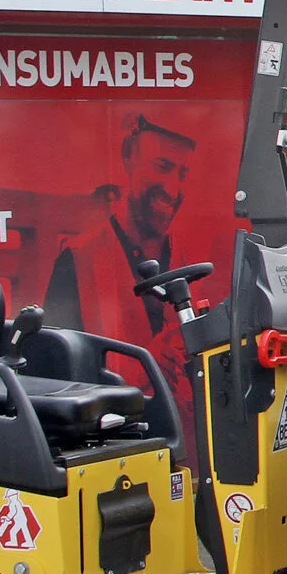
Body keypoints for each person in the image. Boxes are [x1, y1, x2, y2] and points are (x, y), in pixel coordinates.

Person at [41, 115, 200, 453]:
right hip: (112, 445)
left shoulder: (195, 263)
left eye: (182, 174)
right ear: (128, 160)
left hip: (193, 451)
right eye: (162, 167)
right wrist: (151, 363)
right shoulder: (78, 261)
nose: (172, 189)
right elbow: (56, 374)